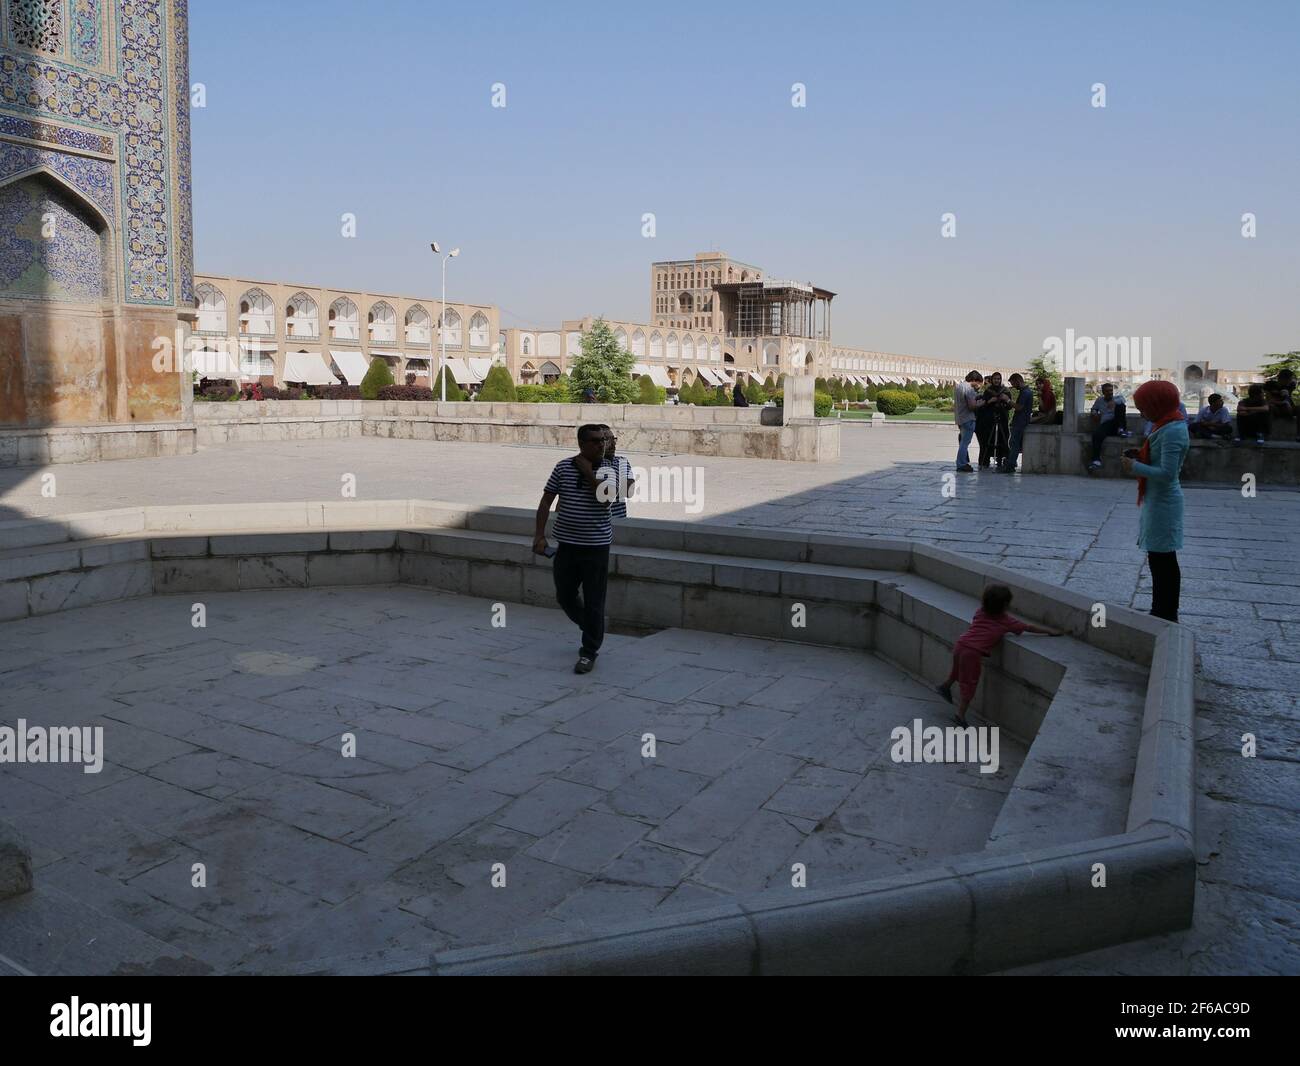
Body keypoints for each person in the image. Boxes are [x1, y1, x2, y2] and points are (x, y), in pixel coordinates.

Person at [533, 424, 622, 674]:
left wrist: (588, 474)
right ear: (582, 444)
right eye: (595, 441)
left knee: (595, 600)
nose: (600, 445)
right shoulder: (563, 467)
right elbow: (546, 500)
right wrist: (539, 535)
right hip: (567, 546)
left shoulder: (610, 468)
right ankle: (592, 627)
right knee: (565, 595)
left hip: (596, 547)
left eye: (603, 440)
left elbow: (608, 499)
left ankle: (589, 651)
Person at [936, 584, 1062, 725]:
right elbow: (1028, 627)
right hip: (972, 653)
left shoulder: (980, 612)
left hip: (961, 644)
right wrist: (1050, 631)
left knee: (957, 671)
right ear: (1005, 605)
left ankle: (945, 686)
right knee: (969, 684)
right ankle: (960, 715)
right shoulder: (1006, 621)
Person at [1121, 380, 1188, 623]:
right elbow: (1160, 461)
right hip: (1157, 500)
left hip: (1164, 503)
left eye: (1144, 407)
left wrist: (1135, 466)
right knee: (1159, 558)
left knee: (1164, 560)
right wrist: (1140, 456)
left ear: (1157, 404)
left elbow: (1168, 473)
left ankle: (1166, 611)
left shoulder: (1172, 430)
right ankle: (1161, 608)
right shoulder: (1165, 425)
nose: (1141, 412)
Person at [596, 424, 635, 521]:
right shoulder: (587, 464)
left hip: (619, 521)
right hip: (595, 524)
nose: (613, 444)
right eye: (608, 440)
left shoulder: (622, 461)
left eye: (614, 439)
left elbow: (629, 491)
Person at [1087, 382, 1129, 470]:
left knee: (1120, 406)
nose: (1110, 392)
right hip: (1106, 425)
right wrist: (1094, 413)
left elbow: (1123, 400)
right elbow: (1094, 408)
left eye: (1111, 390)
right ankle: (1096, 460)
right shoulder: (1099, 400)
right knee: (1096, 434)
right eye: (1107, 391)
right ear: (1103, 392)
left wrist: (1114, 402)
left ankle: (1121, 429)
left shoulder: (1118, 398)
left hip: (1117, 423)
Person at [975, 372, 1012, 469]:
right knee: (988, 439)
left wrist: (1005, 400)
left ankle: (1002, 460)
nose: (997, 381)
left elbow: (1009, 406)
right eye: (995, 379)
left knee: (1002, 438)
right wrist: (990, 401)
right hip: (990, 420)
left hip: (1002, 418)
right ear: (992, 380)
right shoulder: (988, 391)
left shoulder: (1006, 391)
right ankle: (985, 461)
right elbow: (983, 405)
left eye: (998, 379)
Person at [953, 371, 986, 473]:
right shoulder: (969, 388)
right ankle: (961, 464)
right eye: (979, 383)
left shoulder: (959, 386)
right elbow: (972, 406)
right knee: (965, 443)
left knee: (963, 442)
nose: (980, 385)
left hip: (960, 418)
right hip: (968, 418)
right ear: (975, 380)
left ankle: (961, 462)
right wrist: (983, 402)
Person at [1004, 372, 1034, 473]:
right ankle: (1011, 463)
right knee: (1014, 443)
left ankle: (1011, 465)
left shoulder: (1025, 392)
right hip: (1020, 421)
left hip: (1020, 422)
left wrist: (1007, 400)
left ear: (1018, 381)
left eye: (1013, 384)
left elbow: (1019, 407)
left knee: (1014, 443)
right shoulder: (1025, 391)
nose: (1013, 386)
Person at [1264, 369, 1297, 440]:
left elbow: (1294, 382)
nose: (1290, 381)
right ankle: (1266, 433)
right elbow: (1268, 400)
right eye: (1289, 379)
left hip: (1289, 409)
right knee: (1270, 407)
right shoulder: (1270, 385)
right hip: (1277, 409)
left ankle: (1298, 435)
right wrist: (1283, 402)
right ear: (1282, 379)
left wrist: (1287, 402)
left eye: (1291, 379)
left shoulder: (1291, 385)